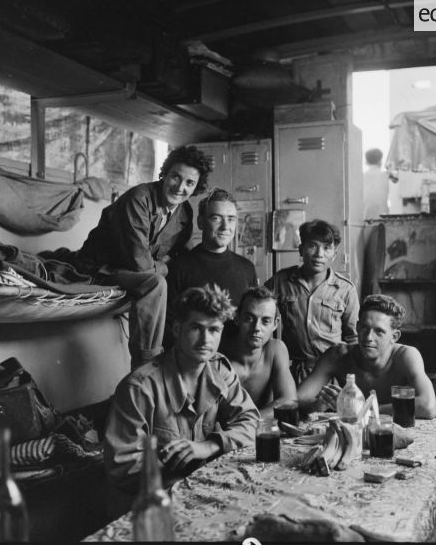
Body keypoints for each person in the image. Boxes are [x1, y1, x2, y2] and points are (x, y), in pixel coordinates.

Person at [104, 284, 259, 497]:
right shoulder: (140, 387)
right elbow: (123, 467)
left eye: (214, 330)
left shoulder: (220, 370)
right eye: (196, 328)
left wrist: (210, 445)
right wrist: (180, 471)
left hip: (203, 488)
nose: (206, 340)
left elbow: (251, 421)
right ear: (178, 329)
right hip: (152, 500)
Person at [74, 145, 211, 368]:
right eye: (175, 177)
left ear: (196, 188)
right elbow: (140, 264)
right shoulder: (139, 199)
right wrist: (165, 265)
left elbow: (181, 258)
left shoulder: (184, 212)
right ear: (165, 173)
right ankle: (146, 364)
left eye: (189, 183)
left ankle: (181, 356)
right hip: (101, 268)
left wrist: (173, 265)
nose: (180, 187)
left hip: (133, 271)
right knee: (155, 283)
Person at [297, 294, 436, 419]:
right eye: (364, 327)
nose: (369, 337)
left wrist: (364, 409)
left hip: (393, 432)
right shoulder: (337, 355)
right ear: (357, 327)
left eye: (379, 331)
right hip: (351, 432)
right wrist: (317, 405)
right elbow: (296, 400)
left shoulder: (406, 356)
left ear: (394, 336)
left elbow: (428, 407)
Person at [265, 219, 359, 384]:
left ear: (334, 255)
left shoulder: (345, 289)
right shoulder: (281, 281)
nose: (319, 254)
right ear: (301, 250)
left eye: (326, 248)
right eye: (312, 246)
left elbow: (353, 339)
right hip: (292, 372)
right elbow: (258, 309)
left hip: (332, 374)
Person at [165, 188, 257, 348]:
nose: (225, 226)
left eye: (231, 219)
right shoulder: (179, 267)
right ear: (201, 222)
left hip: (235, 361)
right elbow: (170, 325)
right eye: (216, 218)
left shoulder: (247, 268)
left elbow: (252, 318)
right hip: (194, 358)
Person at [222, 287, 297, 418]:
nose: (257, 328)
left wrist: (248, 424)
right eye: (249, 319)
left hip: (262, 431)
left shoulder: (275, 350)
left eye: (265, 321)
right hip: (223, 433)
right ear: (237, 318)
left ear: (275, 324)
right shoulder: (220, 352)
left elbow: (288, 400)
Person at [363, 148, 390, 220]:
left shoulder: (361, 177)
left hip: (365, 216)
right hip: (382, 215)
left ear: (366, 162)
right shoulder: (386, 175)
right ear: (380, 161)